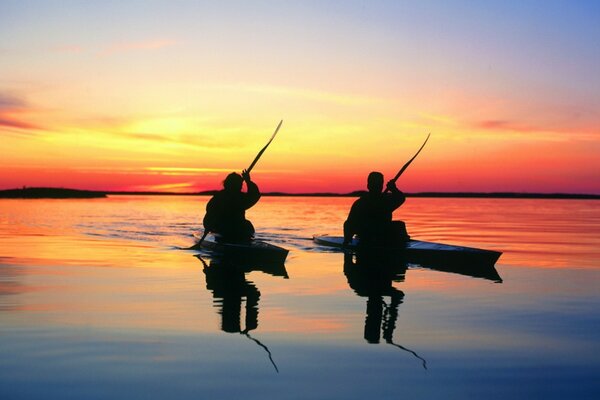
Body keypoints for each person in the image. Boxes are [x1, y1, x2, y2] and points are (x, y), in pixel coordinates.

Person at [343, 171, 408, 246]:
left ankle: (402, 243)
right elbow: (348, 223)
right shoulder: (361, 203)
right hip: (368, 237)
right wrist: (347, 240)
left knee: (399, 225)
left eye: (379, 184)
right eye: (375, 184)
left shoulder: (385, 200)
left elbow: (401, 198)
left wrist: (394, 189)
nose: (377, 186)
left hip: (383, 235)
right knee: (399, 225)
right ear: (369, 185)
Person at [203, 169, 260, 242]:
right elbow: (209, 215)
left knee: (247, 225)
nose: (240, 187)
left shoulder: (238, 197)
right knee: (246, 225)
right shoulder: (219, 198)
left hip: (238, 228)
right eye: (239, 185)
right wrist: (248, 181)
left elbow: (254, 196)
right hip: (223, 229)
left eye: (240, 185)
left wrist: (248, 181)